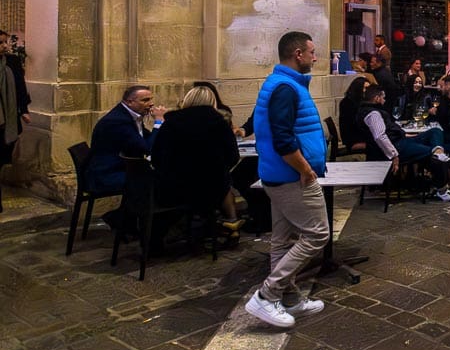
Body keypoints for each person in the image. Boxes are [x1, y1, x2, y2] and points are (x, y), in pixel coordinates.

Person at [244, 31, 328, 329]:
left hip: (277, 175)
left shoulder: (281, 83)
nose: (315, 57)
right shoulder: (286, 88)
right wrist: (306, 170)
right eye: (312, 52)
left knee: (282, 240)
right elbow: (283, 139)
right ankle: (267, 295)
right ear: (297, 54)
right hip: (292, 177)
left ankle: (289, 297)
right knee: (317, 234)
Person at [151, 86, 244, 243]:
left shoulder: (171, 122)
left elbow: (157, 157)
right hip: (210, 188)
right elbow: (233, 156)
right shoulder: (219, 122)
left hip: (173, 188)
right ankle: (232, 222)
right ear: (212, 101)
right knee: (224, 182)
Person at [356, 84, 450, 201]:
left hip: (401, 140)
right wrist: (394, 155)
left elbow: (388, 131)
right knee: (431, 154)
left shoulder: (373, 111)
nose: (384, 100)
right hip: (396, 146)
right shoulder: (372, 114)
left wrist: (405, 134)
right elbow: (380, 136)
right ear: (376, 98)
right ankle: (442, 189)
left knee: (435, 131)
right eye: (383, 98)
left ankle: (439, 152)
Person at [88, 86, 167, 192]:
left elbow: (146, 138)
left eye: (151, 99)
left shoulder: (130, 115)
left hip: (122, 168)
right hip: (107, 175)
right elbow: (146, 148)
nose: (151, 103)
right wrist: (158, 122)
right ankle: (145, 208)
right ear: (130, 102)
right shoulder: (118, 121)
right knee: (161, 178)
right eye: (145, 100)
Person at [0, 30, 32, 211]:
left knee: (3, 157)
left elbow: (20, 86)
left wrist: (24, 110)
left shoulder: (11, 61)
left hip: (8, 119)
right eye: (1, 43)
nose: (5, 46)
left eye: (5, 42)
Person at [337, 76, 370, 152]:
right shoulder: (348, 104)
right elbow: (354, 125)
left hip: (358, 137)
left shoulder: (360, 102)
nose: (367, 91)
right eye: (365, 88)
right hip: (354, 141)